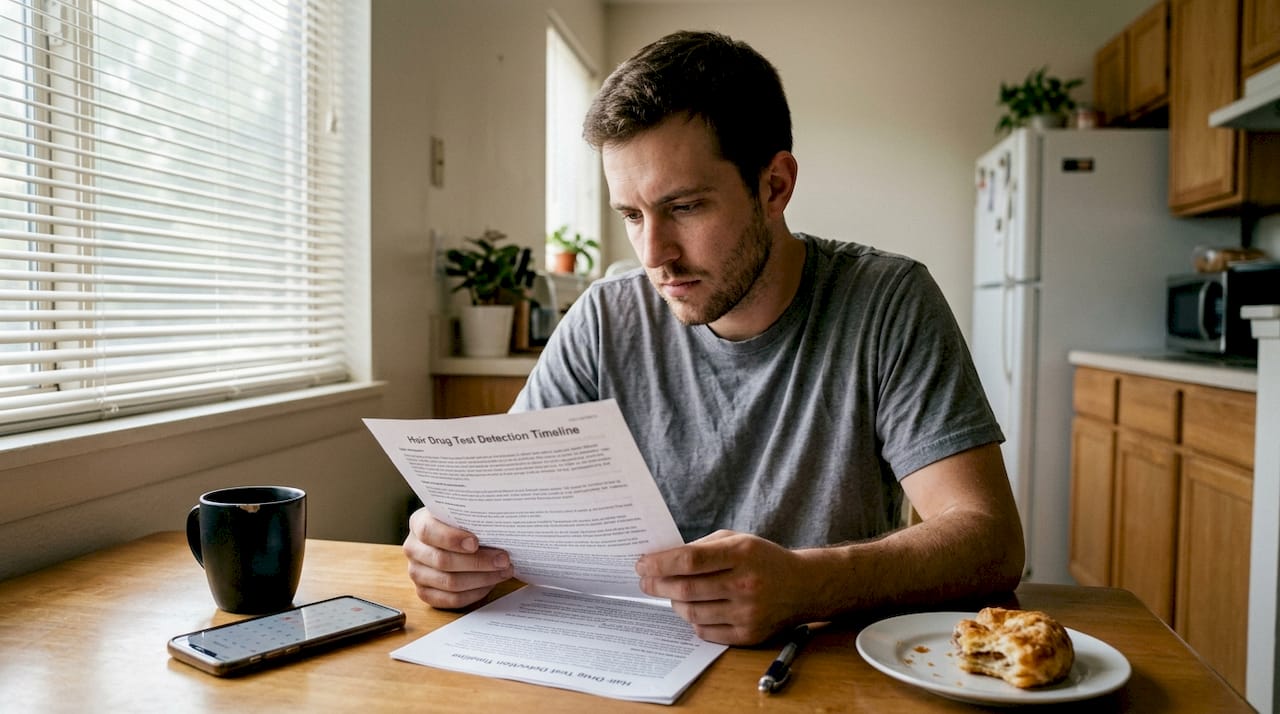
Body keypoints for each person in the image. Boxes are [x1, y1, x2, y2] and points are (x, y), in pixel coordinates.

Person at [403, 30, 1025, 646]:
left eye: (686, 207)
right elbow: (504, 512)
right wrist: (451, 551)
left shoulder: (886, 301)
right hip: (624, 661)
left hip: (816, 669)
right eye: (632, 216)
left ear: (775, 185)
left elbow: (989, 542)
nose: (655, 255)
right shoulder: (601, 320)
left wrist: (807, 584)